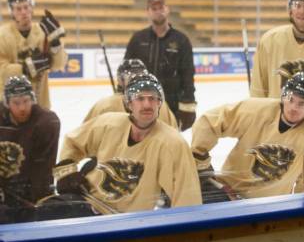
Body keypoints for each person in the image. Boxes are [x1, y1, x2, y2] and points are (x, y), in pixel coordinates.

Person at [46, 72, 201, 219]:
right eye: (140, 98)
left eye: (152, 98)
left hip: (125, 222)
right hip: (85, 203)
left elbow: (187, 198)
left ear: (159, 103)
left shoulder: (172, 143)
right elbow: (73, 141)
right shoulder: (108, 123)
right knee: (43, 212)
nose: (147, 104)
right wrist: (66, 172)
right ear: (129, 103)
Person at [192, 60, 304, 203]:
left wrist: (303, 206)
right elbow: (209, 122)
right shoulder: (256, 111)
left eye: (302, 103)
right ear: (283, 95)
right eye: (290, 99)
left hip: (272, 207)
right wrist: (201, 161)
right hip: (228, 196)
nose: (293, 107)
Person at [124, 0, 196, 131]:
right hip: (142, 103)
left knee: (168, 145)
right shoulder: (137, 39)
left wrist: (188, 105)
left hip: (171, 106)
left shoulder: (181, 40)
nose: (158, 11)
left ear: (167, 9)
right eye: (154, 8)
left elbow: (188, 74)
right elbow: (126, 71)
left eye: (161, 7)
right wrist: (124, 97)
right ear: (148, 12)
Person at [0, 75, 60, 223]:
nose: (22, 108)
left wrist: (34, 195)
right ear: (7, 103)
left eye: (26, 101)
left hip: (31, 191)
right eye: (16, 102)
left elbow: (43, 166)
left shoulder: (47, 122)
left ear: (33, 99)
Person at [0, 0, 68, 109]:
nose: (24, 12)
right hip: (9, 106)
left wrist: (56, 43)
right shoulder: (2, 35)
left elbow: (58, 65)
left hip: (39, 104)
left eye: (26, 7)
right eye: (18, 9)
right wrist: (26, 68)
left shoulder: (43, 32)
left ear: (32, 8)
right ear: (12, 12)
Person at [83, 59, 178, 129]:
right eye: (131, 76)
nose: (135, 79)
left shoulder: (104, 105)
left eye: (139, 74)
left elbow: (85, 136)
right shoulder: (160, 104)